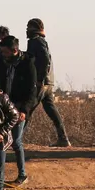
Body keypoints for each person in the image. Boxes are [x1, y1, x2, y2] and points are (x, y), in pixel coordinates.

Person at [26, 18, 71, 147]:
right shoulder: (41, 41)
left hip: (42, 83)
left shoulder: (36, 42)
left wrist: (40, 79)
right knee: (51, 110)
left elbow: (45, 60)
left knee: (26, 109)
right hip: (49, 83)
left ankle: (15, 140)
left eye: (28, 28)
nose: (26, 31)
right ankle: (63, 138)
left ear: (34, 29)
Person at [1, 36, 38, 186]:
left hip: (19, 108)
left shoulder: (28, 64)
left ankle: (22, 174)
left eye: (5, 52)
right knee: (1, 140)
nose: (3, 55)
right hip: (4, 105)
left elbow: (32, 91)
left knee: (16, 141)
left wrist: (24, 110)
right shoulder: (2, 62)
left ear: (14, 50)